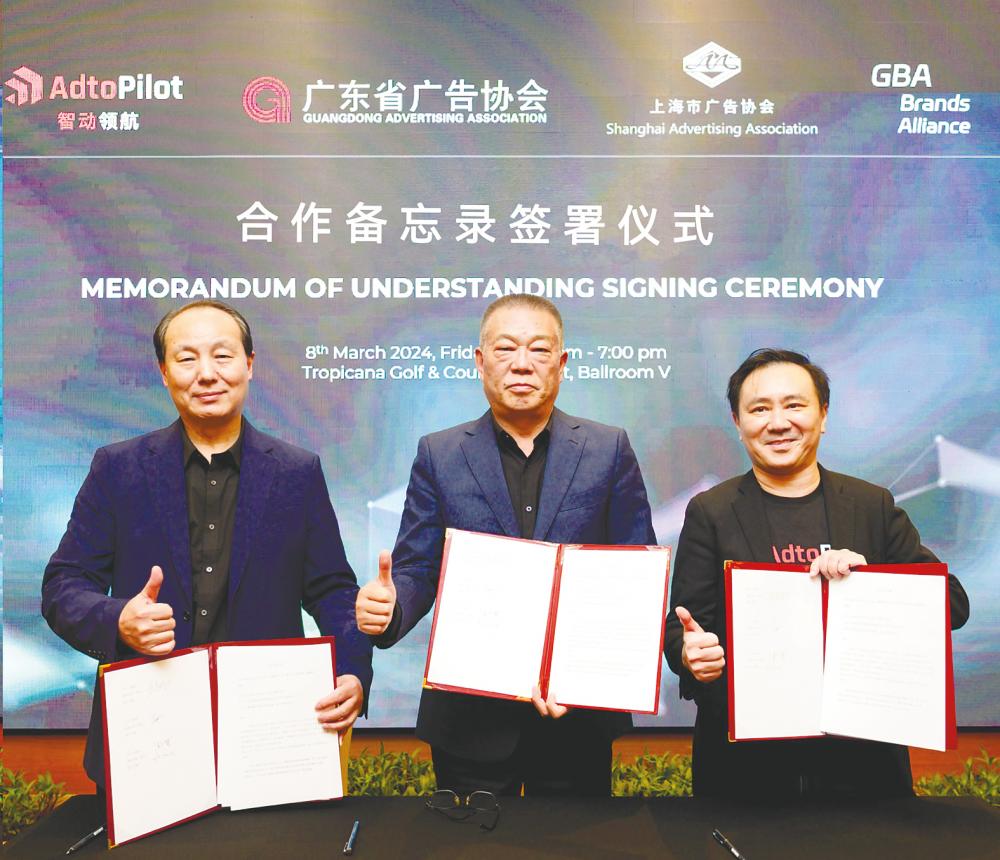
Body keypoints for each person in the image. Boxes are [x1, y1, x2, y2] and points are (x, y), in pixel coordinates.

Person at [42, 300, 372, 789]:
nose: (206, 374)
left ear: (249, 365)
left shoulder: (296, 472)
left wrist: (351, 670)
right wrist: (120, 621)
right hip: (150, 732)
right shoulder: (118, 468)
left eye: (222, 356)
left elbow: (331, 590)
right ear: (163, 371)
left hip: (269, 729)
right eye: (186, 358)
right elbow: (63, 585)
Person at [356, 295, 656, 796]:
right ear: (480, 360)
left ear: (561, 364)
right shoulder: (440, 452)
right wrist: (391, 608)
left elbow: (635, 573)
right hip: (469, 718)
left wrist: (591, 668)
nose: (522, 363)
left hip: (575, 714)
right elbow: (417, 567)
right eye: (506, 348)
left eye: (539, 350)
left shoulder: (609, 448)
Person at [664, 347, 970, 798]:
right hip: (745, 767)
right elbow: (682, 626)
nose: (778, 422)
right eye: (760, 408)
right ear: (738, 422)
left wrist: (873, 584)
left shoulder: (870, 504)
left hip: (862, 763)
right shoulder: (711, 511)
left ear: (823, 415)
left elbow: (953, 604)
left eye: (794, 405)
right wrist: (690, 655)